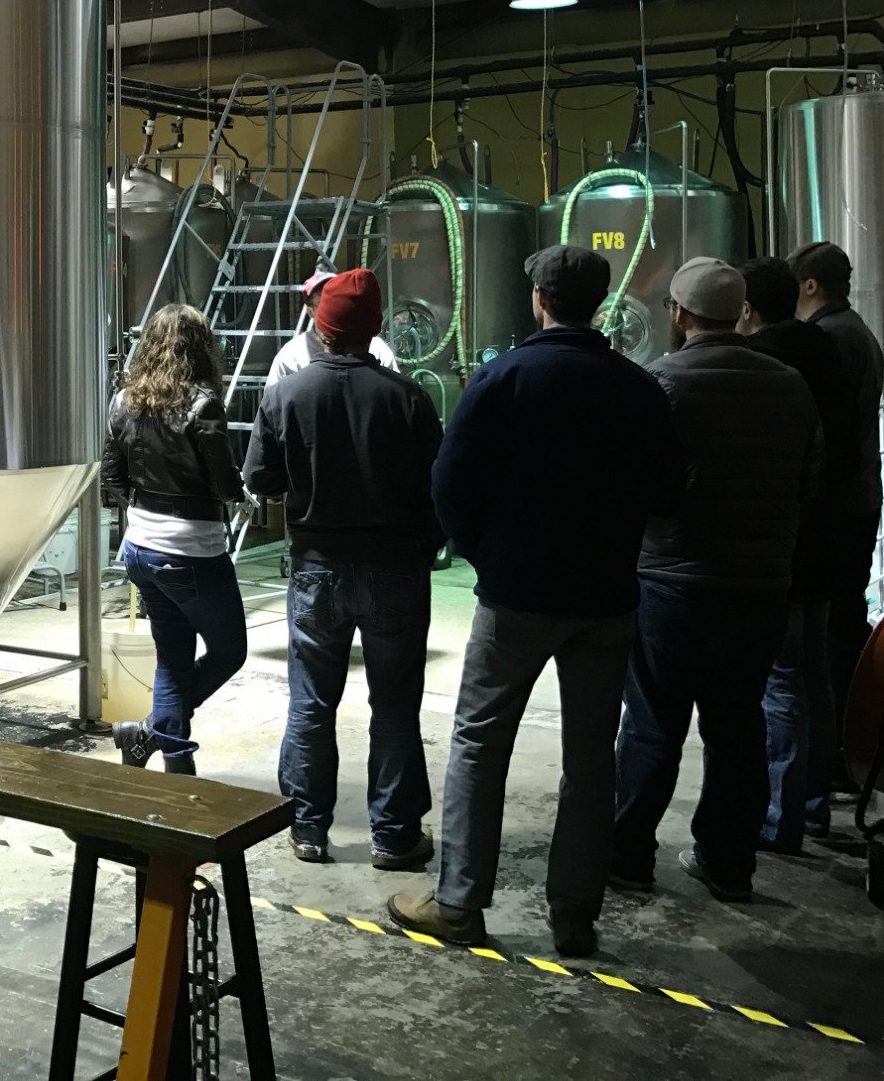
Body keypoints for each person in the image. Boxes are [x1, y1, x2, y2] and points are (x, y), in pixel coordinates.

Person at [389, 247, 682, 958]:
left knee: (479, 743)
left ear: (540, 299)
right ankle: (575, 913)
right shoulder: (638, 387)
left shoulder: (504, 377)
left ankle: (460, 904)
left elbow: (448, 485)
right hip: (606, 599)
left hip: (516, 597)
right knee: (592, 756)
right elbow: (670, 493)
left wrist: (487, 555)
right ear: (599, 304)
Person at [610, 257, 822, 904]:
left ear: (679, 313)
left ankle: (629, 857)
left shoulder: (661, 382)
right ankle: (729, 864)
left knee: (652, 724)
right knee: (737, 728)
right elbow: (809, 480)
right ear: (740, 312)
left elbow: (636, 486)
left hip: (671, 584)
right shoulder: (789, 385)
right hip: (760, 586)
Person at [244, 268, 442, 869]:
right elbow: (438, 488)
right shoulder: (407, 397)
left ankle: (308, 829)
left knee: (311, 702)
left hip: (317, 569)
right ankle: (395, 837)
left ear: (322, 327)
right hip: (394, 569)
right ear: (375, 327)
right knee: (395, 705)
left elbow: (260, 479)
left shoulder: (288, 393)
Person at [99, 303, 247, 775]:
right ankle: (151, 731)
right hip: (192, 551)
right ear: (199, 348)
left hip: (141, 547)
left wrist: (145, 510)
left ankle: (172, 764)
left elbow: (112, 477)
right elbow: (225, 486)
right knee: (229, 652)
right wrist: (242, 490)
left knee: (173, 661)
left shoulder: (125, 400)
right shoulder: (203, 404)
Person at [738, 258, 853, 855]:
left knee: (779, 682)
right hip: (827, 536)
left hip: (780, 544)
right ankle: (811, 809)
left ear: (746, 308)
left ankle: (778, 819)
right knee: (813, 676)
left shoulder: (767, 364)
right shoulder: (833, 351)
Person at [789, 240, 884, 775]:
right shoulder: (856, 331)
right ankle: (846, 748)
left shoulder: (832, 339)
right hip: (857, 498)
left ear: (809, 285)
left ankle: (840, 751)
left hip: (840, 505)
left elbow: (830, 433)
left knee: (835, 631)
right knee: (841, 622)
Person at [265, 268, 398, 386]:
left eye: (337, 301)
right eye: (324, 303)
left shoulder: (378, 349)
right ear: (310, 311)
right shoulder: (291, 357)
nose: (333, 307)